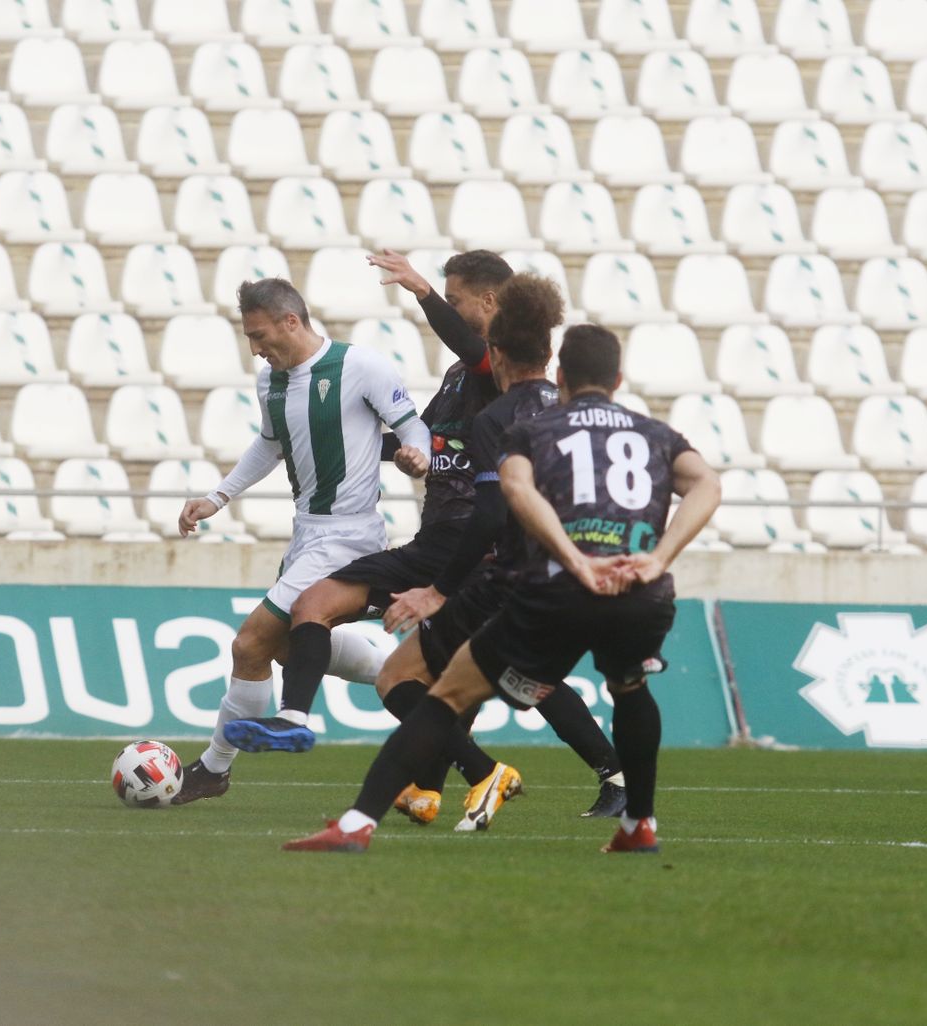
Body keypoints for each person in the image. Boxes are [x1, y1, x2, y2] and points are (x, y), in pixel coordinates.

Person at [282, 324, 721, 854]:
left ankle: (355, 827)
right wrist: (658, 558)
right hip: (641, 595)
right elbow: (708, 484)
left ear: (561, 377)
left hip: (554, 592)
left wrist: (572, 557)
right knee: (629, 687)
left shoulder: (531, 430)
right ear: (619, 379)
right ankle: (638, 826)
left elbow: (510, 492)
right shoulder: (656, 433)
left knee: (440, 694)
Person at [229, 271, 629, 827]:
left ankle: (590, 775)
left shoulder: (502, 383)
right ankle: (436, 784)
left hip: (471, 552)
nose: (452, 312)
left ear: (493, 311)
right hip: (443, 543)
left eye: (458, 300)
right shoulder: (461, 380)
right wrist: (384, 442)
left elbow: (475, 366)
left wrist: (421, 292)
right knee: (425, 673)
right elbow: (431, 436)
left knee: (486, 675)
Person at [172, 278, 431, 804]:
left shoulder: (361, 366)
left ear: (292, 321)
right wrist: (217, 497)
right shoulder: (271, 380)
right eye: (249, 337)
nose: (255, 347)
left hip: (350, 533)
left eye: (260, 334)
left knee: (250, 644)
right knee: (290, 649)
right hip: (308, 532)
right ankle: (415, 687)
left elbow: (414, 428)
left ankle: (215, 767)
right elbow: (270, 444)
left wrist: (417, 457)